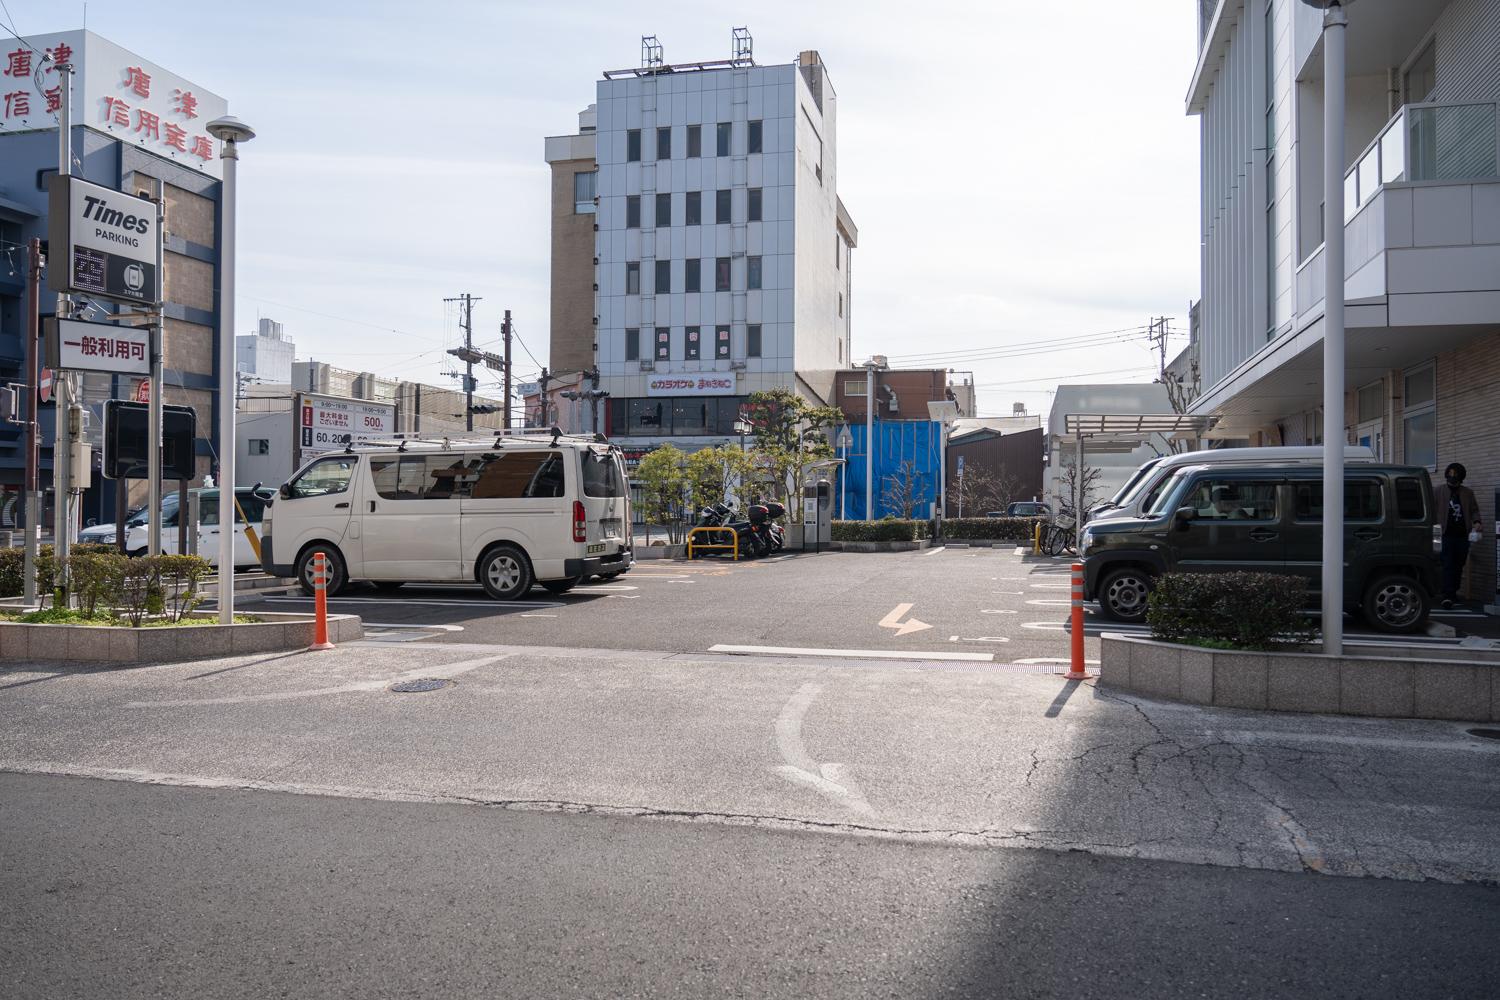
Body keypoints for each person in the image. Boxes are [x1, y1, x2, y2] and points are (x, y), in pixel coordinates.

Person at [1439, 462, 1482, 609]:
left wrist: (1476, 522)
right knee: (1448, 564)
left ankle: (1453, 593)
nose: (1452, 478)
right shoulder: (1439, 491)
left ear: (1461, 477)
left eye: (1455, 475)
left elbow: (1474, 510)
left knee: (1459, 565)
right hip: (1445, 534)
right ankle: (1447, 596)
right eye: (1450, 475)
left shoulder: (1467, 493)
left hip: (1462, 535)